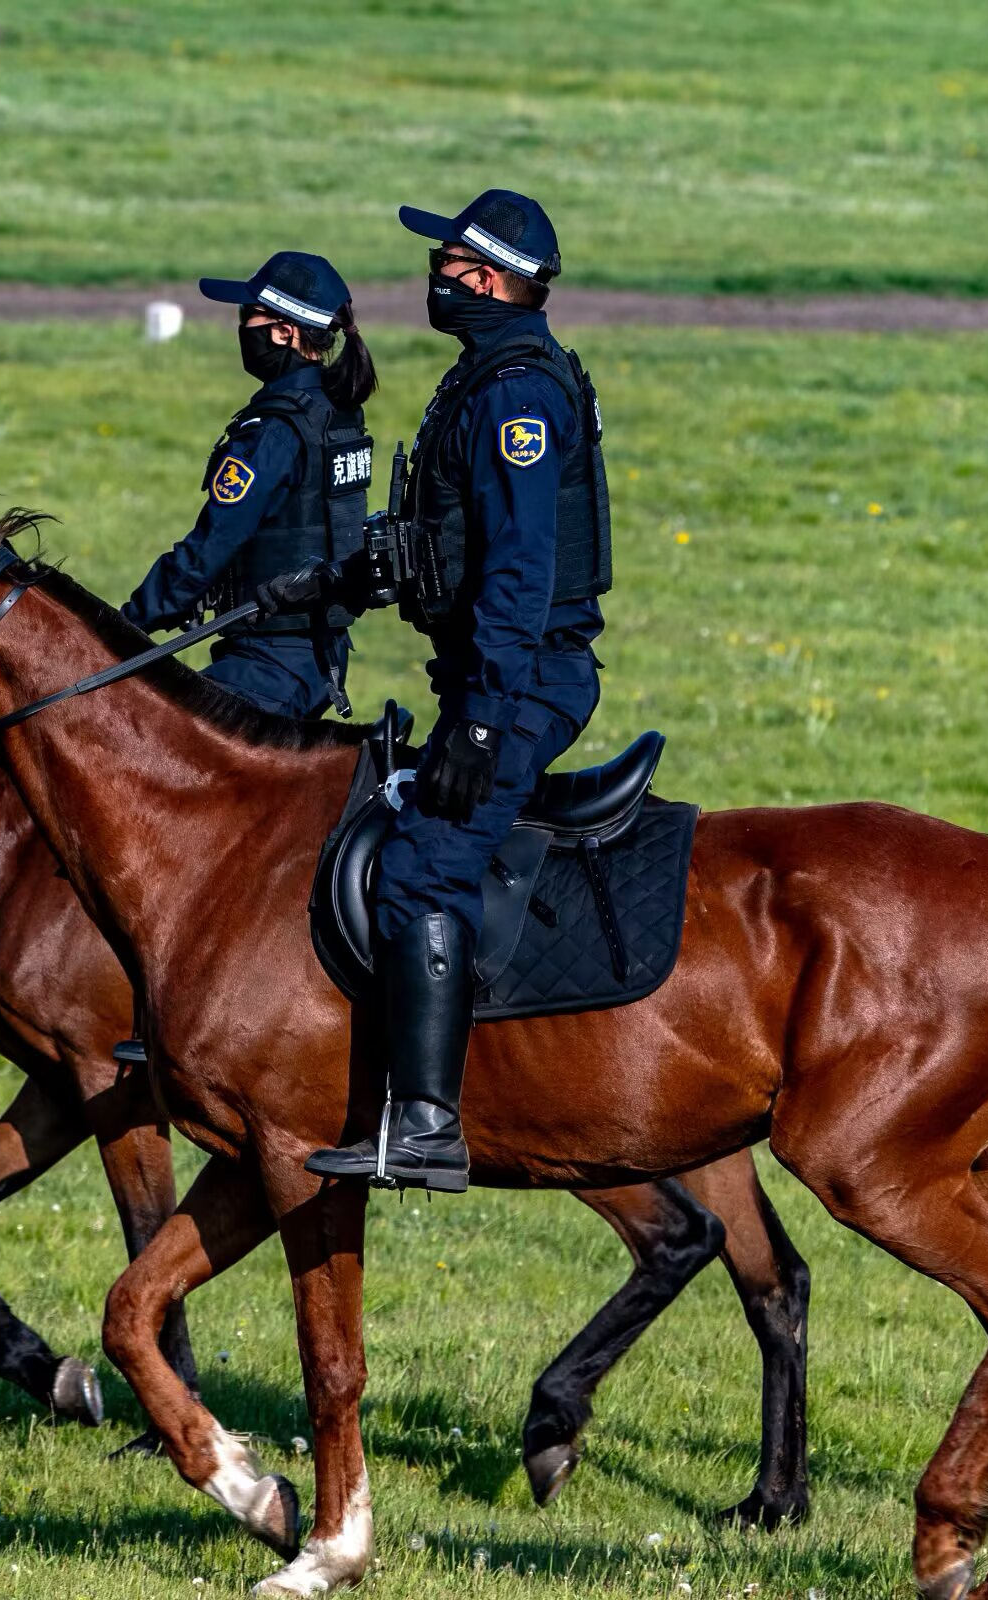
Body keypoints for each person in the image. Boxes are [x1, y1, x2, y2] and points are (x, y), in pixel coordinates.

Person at [305, 190, 613, 1193]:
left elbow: (521, 572)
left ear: (482, 276)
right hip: (491, 671)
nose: (432, 274)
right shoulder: (482, 378)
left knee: (426, 867)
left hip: (520, 680)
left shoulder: (516, 394)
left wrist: (482, 720)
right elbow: (465, 546)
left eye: (445, 260)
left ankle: (430, 1128)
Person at [121, 252, 377, 718]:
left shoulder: (274, 432)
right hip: (322, 655)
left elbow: (210, 549)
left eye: (248, 314)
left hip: (270, 662)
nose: (241, 326)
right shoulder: (336, 414)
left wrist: (123, 626)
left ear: (285, 331)